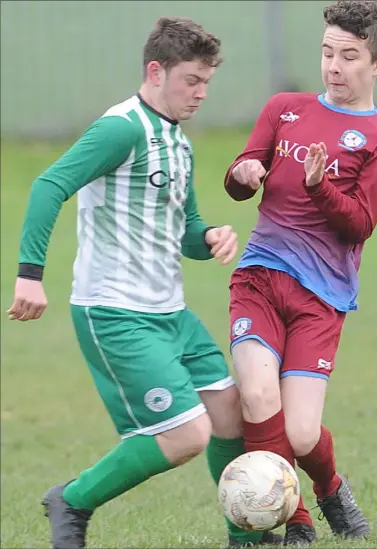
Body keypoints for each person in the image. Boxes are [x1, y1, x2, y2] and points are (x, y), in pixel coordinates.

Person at [8, 17, 281, 549]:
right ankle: (73, 499)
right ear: (155, 71)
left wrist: (212, 238)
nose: (201, 93)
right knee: (186, 436)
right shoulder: (122, 128)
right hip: (115, 311)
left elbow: (185, 230)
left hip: (170, 313)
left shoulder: (177, 142)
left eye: (207, 83)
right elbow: (49, 185)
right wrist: (29, 275)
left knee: (229, 415)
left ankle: (245, 538)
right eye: (191, 81)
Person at [224, 0, 377, 546]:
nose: (334, 67)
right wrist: (243, 172)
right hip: (258, 275)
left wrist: (320, 185)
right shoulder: (285, 109)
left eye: (349, 56)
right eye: (327, 53)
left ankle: (329, 486)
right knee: (256, 395)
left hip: (321, 297)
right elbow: (240, 175)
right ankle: (293, 520)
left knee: (300, 431)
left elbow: (359, 227)